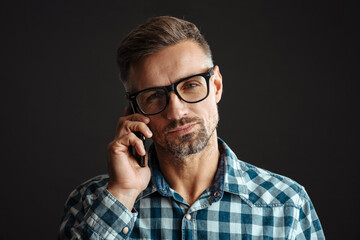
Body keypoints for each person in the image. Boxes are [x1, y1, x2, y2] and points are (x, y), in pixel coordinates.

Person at [58, 16, 325, 239]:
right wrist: (123, 194)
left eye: (191, 85)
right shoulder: (90, 202)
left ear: (216, 85)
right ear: (134, 112)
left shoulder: (286, 206)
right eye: (154, 96)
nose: (176, 111)